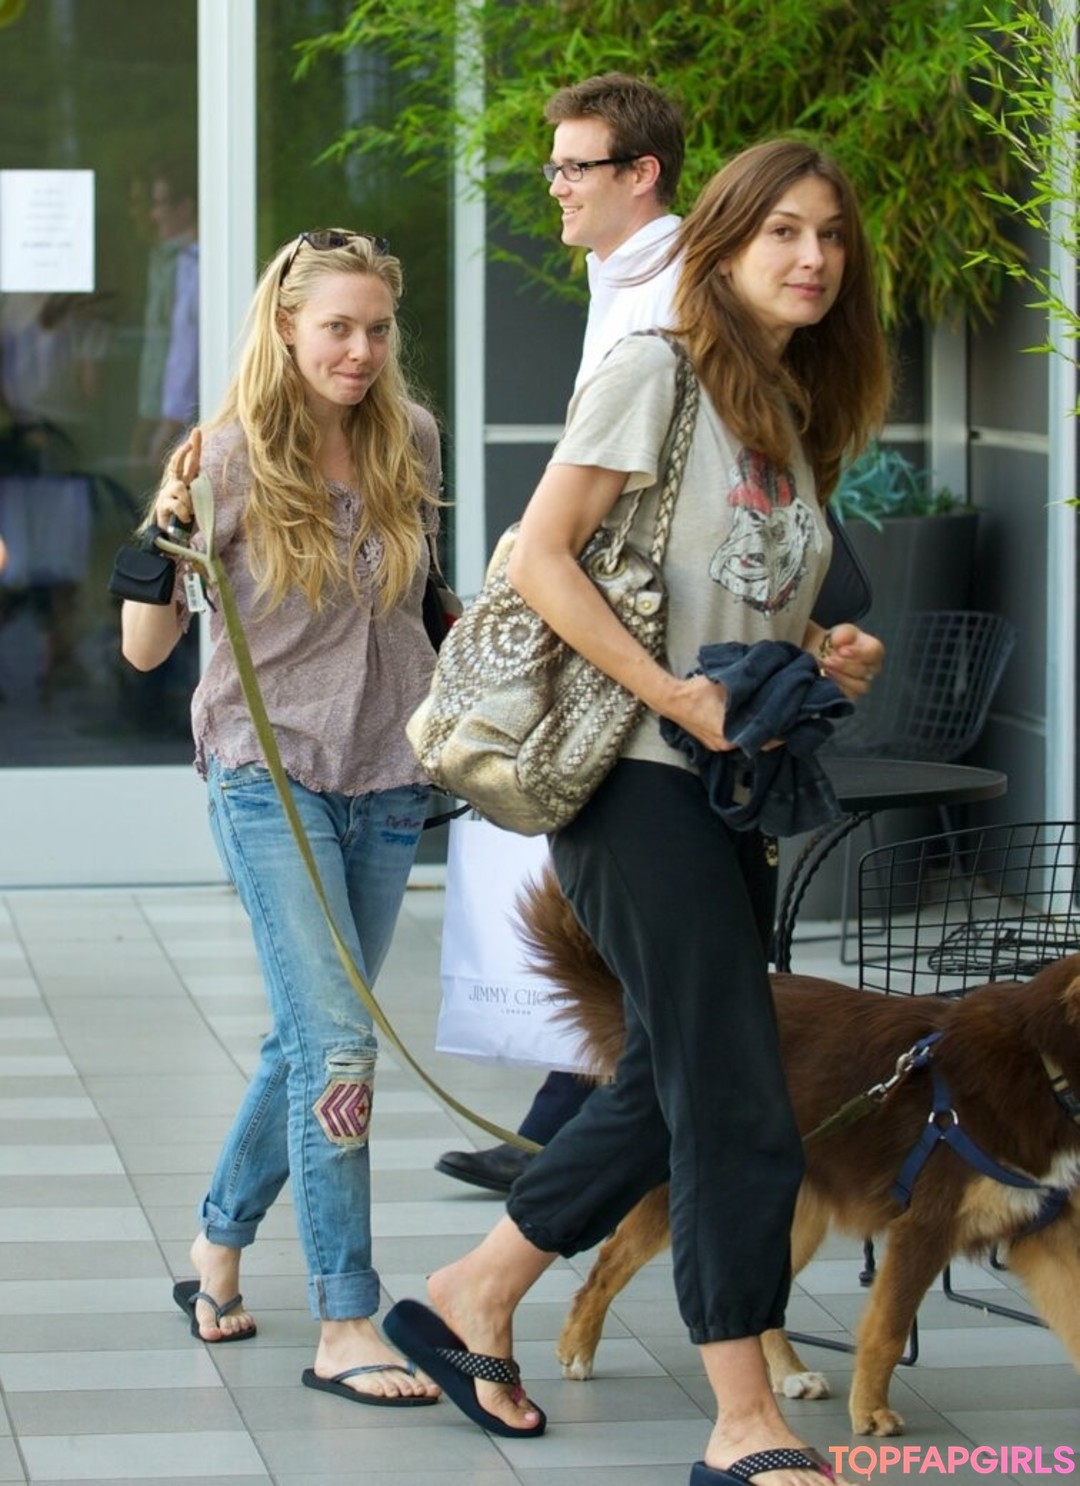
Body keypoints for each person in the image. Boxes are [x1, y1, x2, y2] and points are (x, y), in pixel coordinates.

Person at [385, 137, 890, 1483]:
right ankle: (743, 1416)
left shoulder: (788, 407)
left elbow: (735, 589)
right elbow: (546, 557)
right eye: (783, 230)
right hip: (631, 775)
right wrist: (672, 690)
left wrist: (823, 650)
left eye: (831, 236)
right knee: (734, 1084)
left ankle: (476, 1290)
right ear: (719, 241)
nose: (812, 258)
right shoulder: (655, 369)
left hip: (729, 781)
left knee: (677, 1069)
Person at [120, 229, 443, 1405]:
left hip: (391, 772)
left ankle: (217, 1242)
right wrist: (164, 527)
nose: (359, 351)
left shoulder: (412, 439)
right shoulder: (225, 457)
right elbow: (144, 647)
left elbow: (421, 603)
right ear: (287, 329)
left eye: (377, 329)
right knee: (341, 1040)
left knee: (306, 1035)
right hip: (270, 772)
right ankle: (346, 1318)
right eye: (336, 328)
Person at [436, 72, 686, 1196]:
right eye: (554, 167)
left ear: (643, 174)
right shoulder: (617, 271)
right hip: (610, 622)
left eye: (575, 167)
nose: (556, 188)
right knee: (617, 914)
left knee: (626, 915)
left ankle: (570, 1155)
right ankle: (566, 1132)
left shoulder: (682, 285)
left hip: (651, 638)